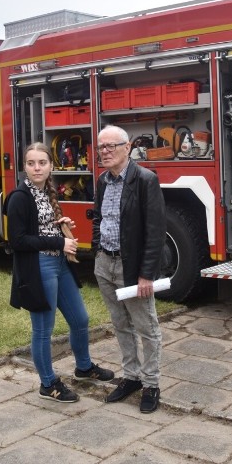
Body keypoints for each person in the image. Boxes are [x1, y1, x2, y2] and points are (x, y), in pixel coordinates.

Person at [4, 142, 114, 403]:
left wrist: (60, 226)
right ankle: (48, 384)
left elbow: (40, 228)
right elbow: (17, 241)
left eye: (42, 162)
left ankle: (84, 367)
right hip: (39, 267)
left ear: (51, 166)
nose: (37, 168)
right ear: (25, 167)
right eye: (31, 163)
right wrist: (57, 241)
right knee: (43, 329)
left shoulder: (46, 193)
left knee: (80, 319)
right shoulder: (19, 198)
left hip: (60, 264)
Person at [92, 125, 165, 414]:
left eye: (112, 146)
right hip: (104, 264)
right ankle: (131, 377)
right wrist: (97, 249)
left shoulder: (146, 180)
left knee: (146, 327)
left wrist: (146, 274)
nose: (105, 151)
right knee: (120, 324)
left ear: (128, 147)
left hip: (131, 267)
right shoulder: (102, 180)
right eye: (101, 147)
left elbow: (155, 231)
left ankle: (152, 384)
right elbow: (99, 217)